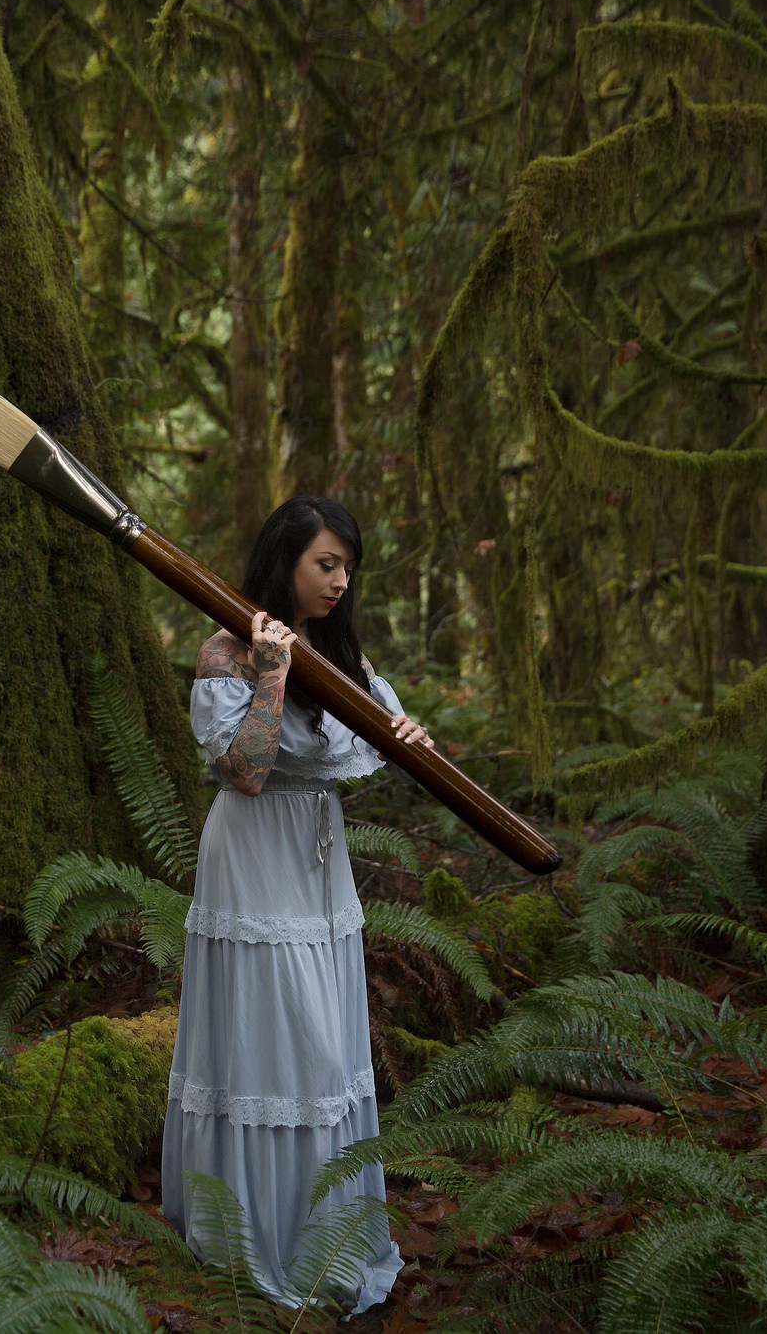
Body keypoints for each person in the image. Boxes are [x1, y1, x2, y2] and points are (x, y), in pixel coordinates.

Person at [162, 495, 433, 1312]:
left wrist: (405, 731)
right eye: (326, 563)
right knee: (277, 1045)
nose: (340, 580)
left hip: (318, 864)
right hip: (251, 857)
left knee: (326, 1047)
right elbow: (243, 769)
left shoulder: (344, 651)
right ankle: (251, 1237)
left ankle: (331, 1239)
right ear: (284, 562)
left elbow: (371, 733)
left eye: (347, 565)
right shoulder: (225, 650)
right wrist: (273, 672)